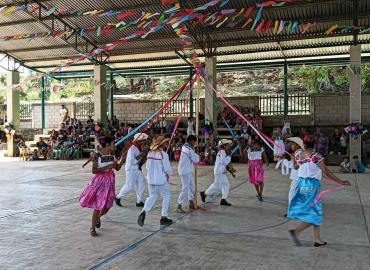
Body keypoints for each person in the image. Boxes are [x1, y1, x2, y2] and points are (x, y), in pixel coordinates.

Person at [288, 148, 351, 247]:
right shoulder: (315, 156)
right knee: (315, 214)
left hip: (302, 184)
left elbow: (296, 167)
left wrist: (293, 159)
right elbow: (326, 171)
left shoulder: (300, 154)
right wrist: (341, 181)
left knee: (314, 211)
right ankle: (296, 232)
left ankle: (317, 239)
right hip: (311, 185)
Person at [79, 130, 126, 236]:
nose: (115, 145)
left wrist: (122, 159)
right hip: (100, 182)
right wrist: (107, 167)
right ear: (108, 144)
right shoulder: (97, 155)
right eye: (113, 144)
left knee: (107, 205)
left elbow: (117, 168)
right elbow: (94, 171)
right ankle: (92, 227)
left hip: (110, 182)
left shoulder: (112, 155)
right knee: (98, 205)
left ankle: (98, 218)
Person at [138, 136, 173, 227]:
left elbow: (147, 167)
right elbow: (167, 169)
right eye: (164, 143)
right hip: (161, 180)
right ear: (162, 144)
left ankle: (144, 211)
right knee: (166, 196)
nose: (165, 144)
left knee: (152, 196)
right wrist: (169, 175)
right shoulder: (163, 154)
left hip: (150, 179)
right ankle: (163, 217)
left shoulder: (149, 153)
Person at [115, 133, 149, 207]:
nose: (144, 142)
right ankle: (118, 197)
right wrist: (141, 155)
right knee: (129, 185)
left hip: (136, 168)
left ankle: (139, 201)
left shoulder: (137, 148)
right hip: (131, 169)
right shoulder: (132, 148)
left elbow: (139, 160)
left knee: (141, 182)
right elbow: (132, 161)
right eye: (143, 140)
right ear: (139, 141)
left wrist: (143, 157)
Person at [200, 139, 233, 206]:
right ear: (224, 146)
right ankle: (204, 193)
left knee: (226, 185)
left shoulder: (222, 152)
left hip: (221, 171)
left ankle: (223, 199)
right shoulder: (222, 151)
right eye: (227, 145)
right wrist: (229, 157)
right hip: (219, 172)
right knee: (217, 186)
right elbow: (223, 161)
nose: (228, 146)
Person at [177, 135, 200, 213]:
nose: (195, 143)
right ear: (191, 141)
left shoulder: (187, 148)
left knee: (192, 186)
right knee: (185, 188)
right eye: (194, 141)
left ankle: (191, 201)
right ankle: (179, 205)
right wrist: (197, 154)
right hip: (184, 171)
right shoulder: (188, 149)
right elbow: (195, 159)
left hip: (187, 170)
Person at [286, 137, 305, 205]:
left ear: (297, 145)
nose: (291, 146)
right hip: (301, 175)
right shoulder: (300, 152)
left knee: (292, 192)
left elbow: (296, 166)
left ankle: (292, 210)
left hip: (297, 176)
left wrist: (293, 159)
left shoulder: (298, 153)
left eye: (292, 144)